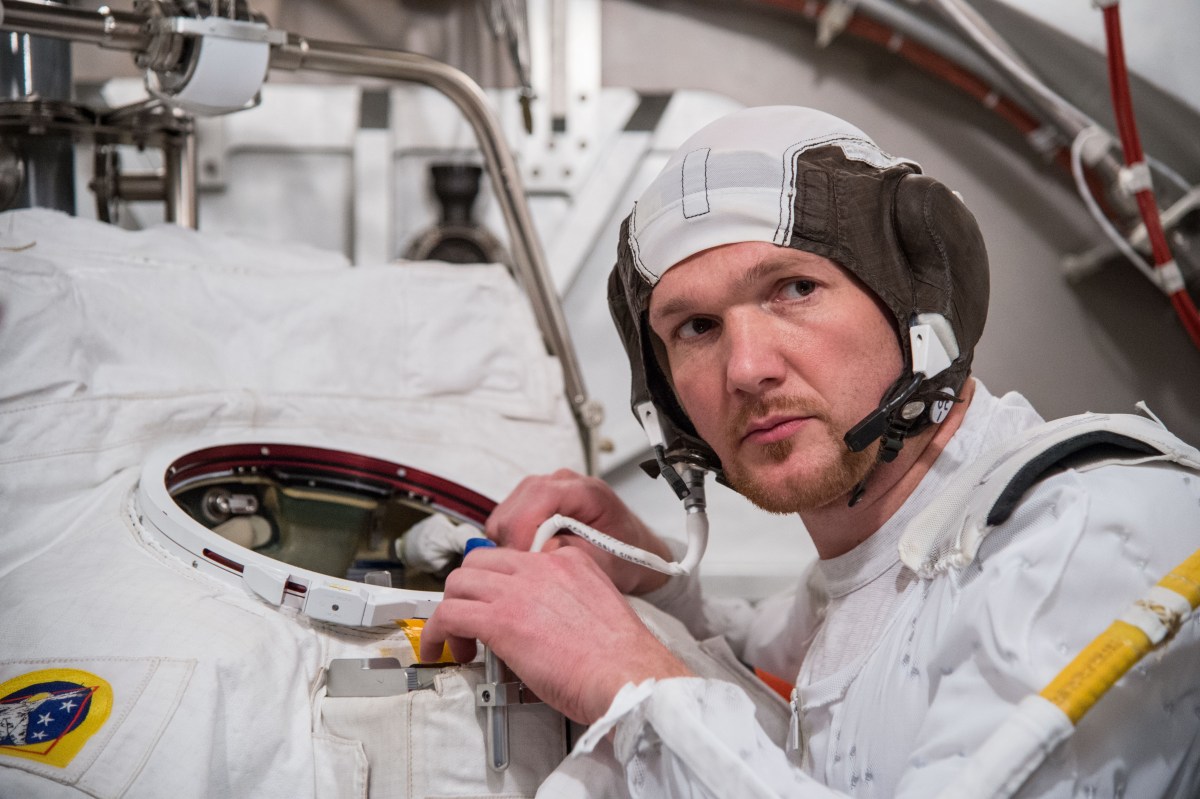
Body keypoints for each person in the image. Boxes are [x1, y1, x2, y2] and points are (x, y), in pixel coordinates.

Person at [420, 106, 1200, 797]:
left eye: (794, 288)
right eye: (696, 327)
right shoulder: (893, 549)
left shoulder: (1086, 539)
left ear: (918, 301)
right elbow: (788, 650)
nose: (746, 368)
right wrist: (654, 579)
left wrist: (629, 680)